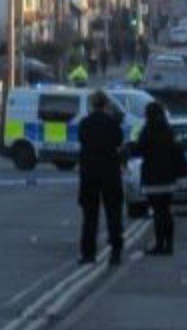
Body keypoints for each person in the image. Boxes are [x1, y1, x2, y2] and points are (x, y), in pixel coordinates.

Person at [132, 102, 187, 256]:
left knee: (157, 212)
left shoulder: (147, 130)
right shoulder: (168, 131)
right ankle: (169, 245)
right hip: (168, 178)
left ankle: (159, 244)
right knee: (166, 211)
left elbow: (139, 149)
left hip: (152, 177)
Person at [77, 91, 125, 266]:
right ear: (105, 105)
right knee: (114, 215)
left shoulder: (85, 124)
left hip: (90, 173)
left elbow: (82, 140)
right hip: (110, 173)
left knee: (90, 216)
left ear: (92, 105)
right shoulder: (113, 124)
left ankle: (88, 253)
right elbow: (119, 141)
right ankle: (116, 252)